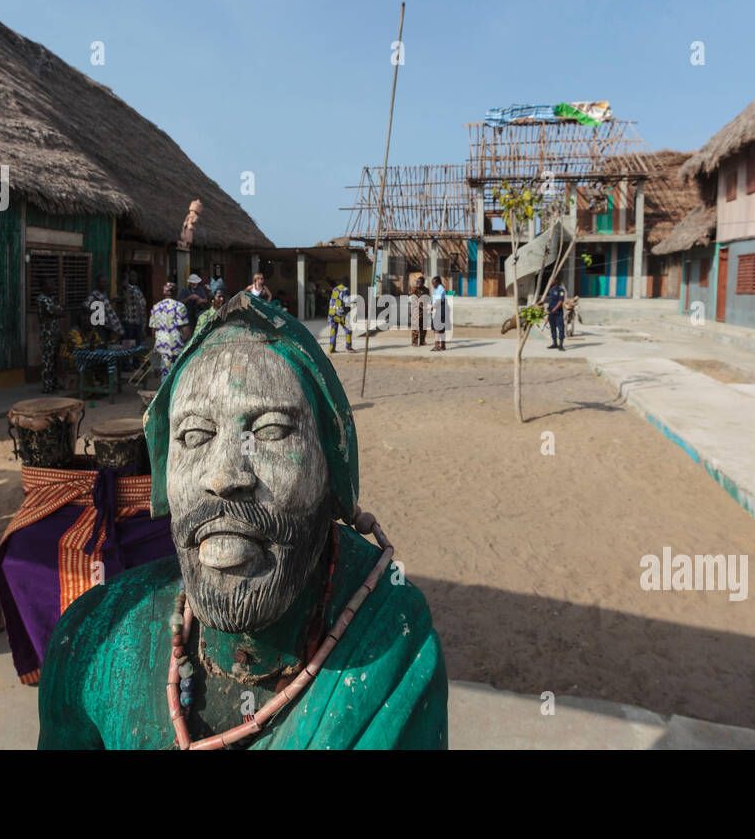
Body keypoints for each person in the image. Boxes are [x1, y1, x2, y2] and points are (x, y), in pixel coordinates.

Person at [38, 292, 448, 749]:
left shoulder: (393, 642)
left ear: (329, 469)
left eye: (271, 430)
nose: (224, 476)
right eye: (194, 436)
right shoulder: (91, 641)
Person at [148, 282, 187, 378]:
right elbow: (184, 327)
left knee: (165, 369)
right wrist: (188, 342)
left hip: (161, 344)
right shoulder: (179, 306)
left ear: (163, 292)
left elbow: (153, 329)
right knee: (177, 370)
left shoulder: (155, 307)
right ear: (176, 293)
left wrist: (156, 342)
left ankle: (165, 389)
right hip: (176, 343)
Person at [36, 278, 63, 393]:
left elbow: (59, 311)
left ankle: (54, 383)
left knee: (54, 360)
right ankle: (47, 386)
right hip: (48, 335)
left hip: (54, 333)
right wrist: (59, 309)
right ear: (44, 286)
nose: (53, 286)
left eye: (53, 283)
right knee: (48, 361)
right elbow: (57, 311)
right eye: (50, 284)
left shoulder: (51, 299)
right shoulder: (42, 299)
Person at [83, 275, 124, 340]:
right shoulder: (94, 295)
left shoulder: (104, 293)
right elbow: (85, 306)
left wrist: (112, 301)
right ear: (97, 283)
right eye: (102, 282)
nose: (105, 284)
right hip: (101, 326)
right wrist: (96, 315)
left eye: (106, 282)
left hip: (110, 325)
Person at [327, 277, 355, 353]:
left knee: (333, 330)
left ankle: (331, 348)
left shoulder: (335, 289)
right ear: (346, 282)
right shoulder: (345, 289)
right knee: (348, 329)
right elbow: (346, 301)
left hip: (332, 313)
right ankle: (348, 347)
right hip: (339, 313)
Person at [180, 273, 210, 340]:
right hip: (187, 313)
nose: (195, 284)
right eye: (193, 283)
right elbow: (180, 302)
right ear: (190, 283)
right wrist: (189, 298)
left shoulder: (200, 289)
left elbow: (205, 300)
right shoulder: (184, 290)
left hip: (198, 312)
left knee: (198, 328)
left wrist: (200, 299)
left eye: (196, 283)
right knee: (189, 330)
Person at [120, 271, 147, 345]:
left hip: (138, 322)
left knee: (137, 344)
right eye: (131, 276)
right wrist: (126, 277)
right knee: (128, 344)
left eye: (135, 276)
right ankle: (127, 356)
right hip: (129, 322)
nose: (134, 278)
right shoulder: (127, 288)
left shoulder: (137, 289)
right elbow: (124, 284)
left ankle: (135, 357)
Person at [408, 274, 430, 347]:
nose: (418, 283)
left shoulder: (426, 290)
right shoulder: (413, 289)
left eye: (419, 282)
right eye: (417, 281)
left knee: (423, 328)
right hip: (415, 311)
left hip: (424, 312)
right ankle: (414, 342)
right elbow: (412, 299)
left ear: (423, 282)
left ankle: (422, 341)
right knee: (415, 327)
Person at [546, 279, 567, 350]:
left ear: (555, 281)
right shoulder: (550, 289)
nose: (550, 281)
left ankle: (561, 345)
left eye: (552, 280)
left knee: (561, 328)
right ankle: (555, 343)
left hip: (558, 313)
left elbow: (560, 301)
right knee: (552, 328)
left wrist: (554, 310)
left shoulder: (561, 290)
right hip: (551, 312)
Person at [430, 275, 448, 351]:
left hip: (440, 308)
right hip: (438, 308)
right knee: (441, 328)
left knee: (437, 328)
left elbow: (438, 301)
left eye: (433, 283)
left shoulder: (440, 288)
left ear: (437, 282)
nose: (432, 285)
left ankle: (437, 346)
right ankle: (443, 346)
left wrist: (431, 307)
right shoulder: (437, 288)